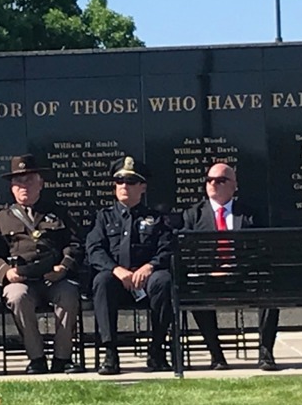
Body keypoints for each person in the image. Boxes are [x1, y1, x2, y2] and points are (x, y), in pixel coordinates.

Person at [0, 154, 84, 375]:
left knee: (69, 294)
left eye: (29, 180)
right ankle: (36, 358)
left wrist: (63, 267)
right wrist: (6, 273)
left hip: (54, 278)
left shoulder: (58, 212)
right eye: (18, 182)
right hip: (22, 280)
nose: (24, 186)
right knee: (15, 296)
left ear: (41, 183)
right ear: (12, 187)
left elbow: (75, 243)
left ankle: (62, 358)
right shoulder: (0, 219)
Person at [183, 163, 280, 371]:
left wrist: (237, 266)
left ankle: (265, 353)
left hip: (243, 277)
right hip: (209, 278)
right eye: (209, 180)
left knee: (270, 289)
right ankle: (216, 356)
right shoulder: (193, 215)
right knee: (195, 289)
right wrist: (210, 269)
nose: (213, 184)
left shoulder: (249, 214)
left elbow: (262, 249)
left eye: (219, 180)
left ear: (234, 185)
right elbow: (187, 253)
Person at [86, 156, 173, 375]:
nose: (124, 186)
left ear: (142, 186)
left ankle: (157, 351)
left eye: (131, 181)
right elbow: (94, 249)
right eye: (119, 181)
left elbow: (167, 249)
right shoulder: (103, 218)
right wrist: (116, 270)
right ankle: (110, 353)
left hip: (146, 281)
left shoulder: (156, 218)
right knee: (101, 281)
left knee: (164, 281)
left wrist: (149, 267)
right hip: (117, 280)